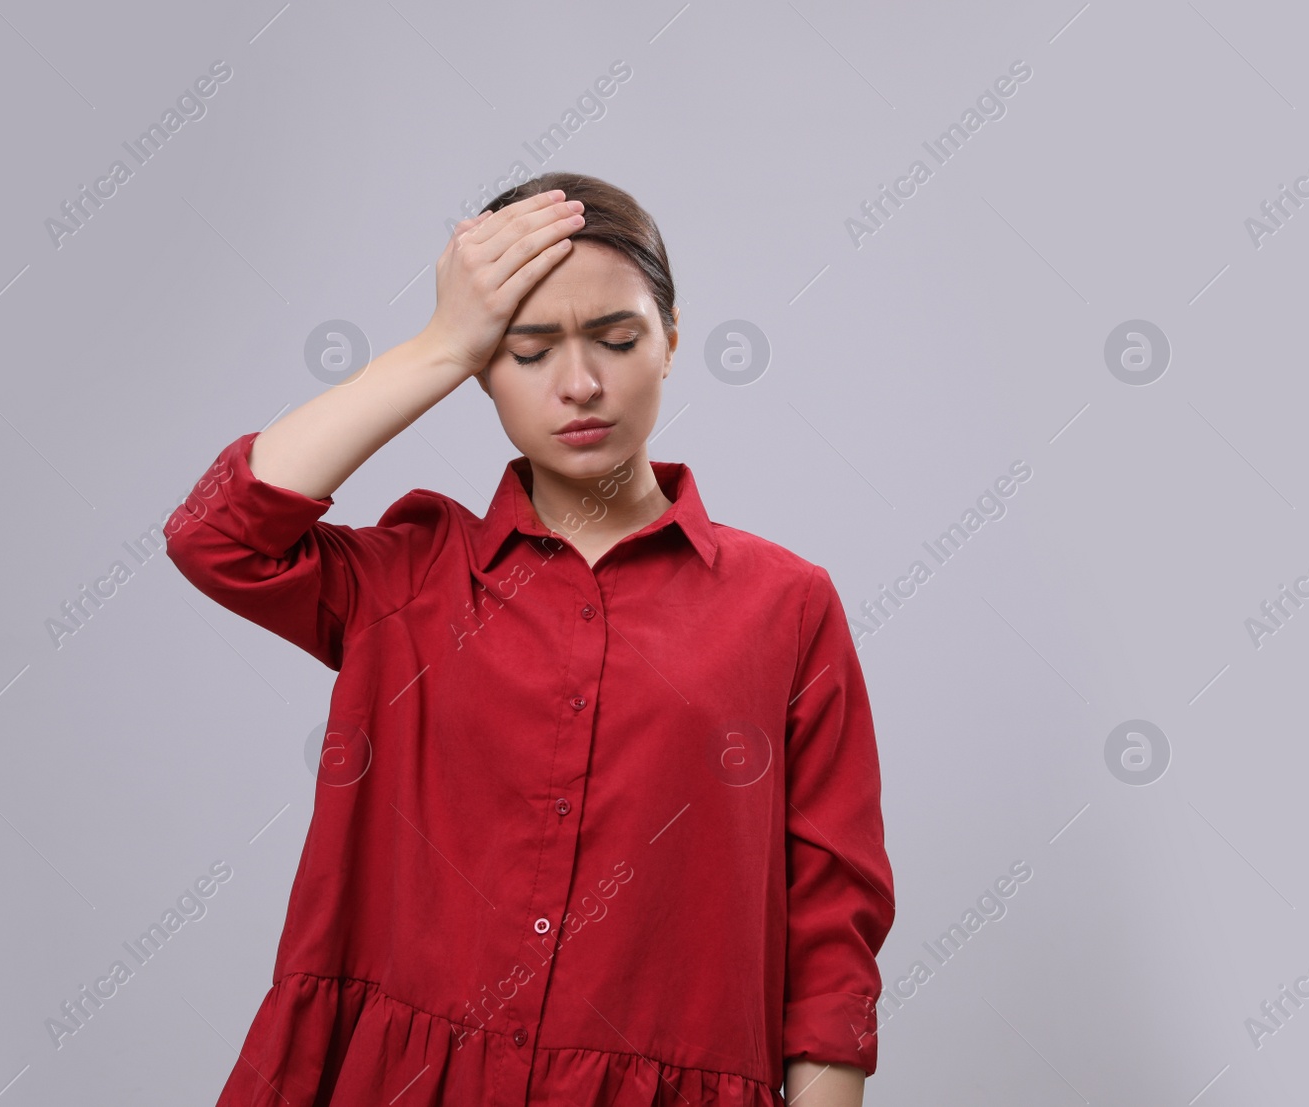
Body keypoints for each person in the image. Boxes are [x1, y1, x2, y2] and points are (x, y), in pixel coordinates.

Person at [166, 172, 895, 1107]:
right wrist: (438, 344)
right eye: (528, 349)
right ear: (481, 371)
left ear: (671, 342)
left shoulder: (786, 608)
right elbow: (215, 535)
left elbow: (831, 931)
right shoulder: (410, 580)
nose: (581, 383)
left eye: (618, 339)